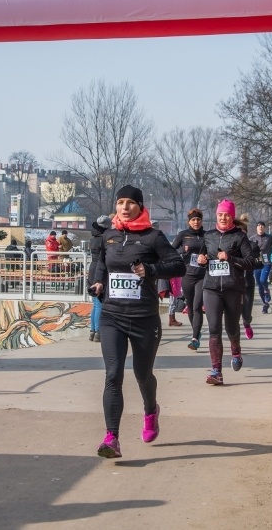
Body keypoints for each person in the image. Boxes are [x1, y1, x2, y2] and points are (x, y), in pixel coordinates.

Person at [90, 185, 186, 458]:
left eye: (130, 202)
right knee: (113, 374)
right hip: (112, 316)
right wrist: (96, 283)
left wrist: (152, 269)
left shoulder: (153, 237)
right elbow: (100, 265)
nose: (124, 207)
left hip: (144, 318)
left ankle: (150, 410)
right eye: (120, 202)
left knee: (142, 375)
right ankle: (112, 438)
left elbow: (178, 265)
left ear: (140, 206)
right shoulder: (108, 236)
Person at [196, 199, 255, 385]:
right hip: (211, 287)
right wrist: (201, 260)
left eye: (227, 215)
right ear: (216, 215)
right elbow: (202, 256)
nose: (223, 217)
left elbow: (250, 262)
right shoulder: (209, 235)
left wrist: (229, 258)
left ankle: (236, 350)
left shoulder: (240, 237)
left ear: (232, 216)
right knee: (214, 329)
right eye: (220, 214)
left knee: (231, 328)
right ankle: (216, 371)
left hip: (233, 288)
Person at [170, 208, 207, 351]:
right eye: (193, 220)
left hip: (203, 275)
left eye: (198, 219)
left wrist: (207, 257)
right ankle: (196, 332)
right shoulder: (183, 235)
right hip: (187, 275)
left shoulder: (207, 235)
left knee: (198, 305)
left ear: (201, 221)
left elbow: (214, 251)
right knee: (190, 306)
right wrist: (182, 251)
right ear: (189, 221)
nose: (196, 222)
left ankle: (195, 338)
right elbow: (171, 250)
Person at [87, 215, 111, 342]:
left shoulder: (93, 238)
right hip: (100, 271)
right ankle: (98, 332)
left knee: (95, 303)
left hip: (92, 269)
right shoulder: (104, 239)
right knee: (100, 303)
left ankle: (92, 330)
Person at [237, 214, 259, 339]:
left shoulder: (253, 246)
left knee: (246, 314)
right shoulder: (231, 246)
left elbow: (260, 263)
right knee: (234, 314)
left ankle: (247, 324)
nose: (241, 235)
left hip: (248, 284)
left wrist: (252, 262)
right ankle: (235, 339)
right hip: (234, 284)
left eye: (243, 232)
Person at [249, 221, 272, 314]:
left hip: (266, 263)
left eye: (262, 226)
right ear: (256, 228)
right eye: (259, 226)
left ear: (264, 228)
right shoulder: (252, 238)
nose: (260, 227)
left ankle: (266, 290)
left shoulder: (269, 238)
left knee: (263, 280)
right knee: (259, 285)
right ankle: (265, 304)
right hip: (256, 263)